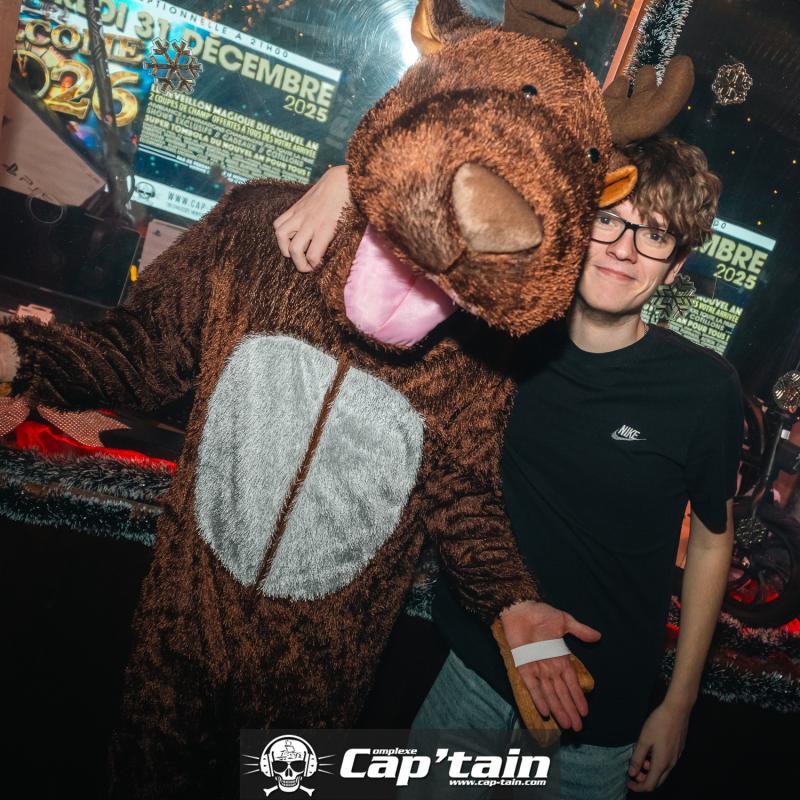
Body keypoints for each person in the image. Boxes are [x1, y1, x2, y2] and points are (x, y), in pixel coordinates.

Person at [273, 134, 743, 798]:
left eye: (655, 235)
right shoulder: (504, 339)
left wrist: (679, 704)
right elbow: (454, 198)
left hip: (597, 713)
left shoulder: (701, 390)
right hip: (473, 672)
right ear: (576, 226)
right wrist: (346, 178)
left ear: (674, 267)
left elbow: (712, 544)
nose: (624, 248)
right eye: (609, 220)